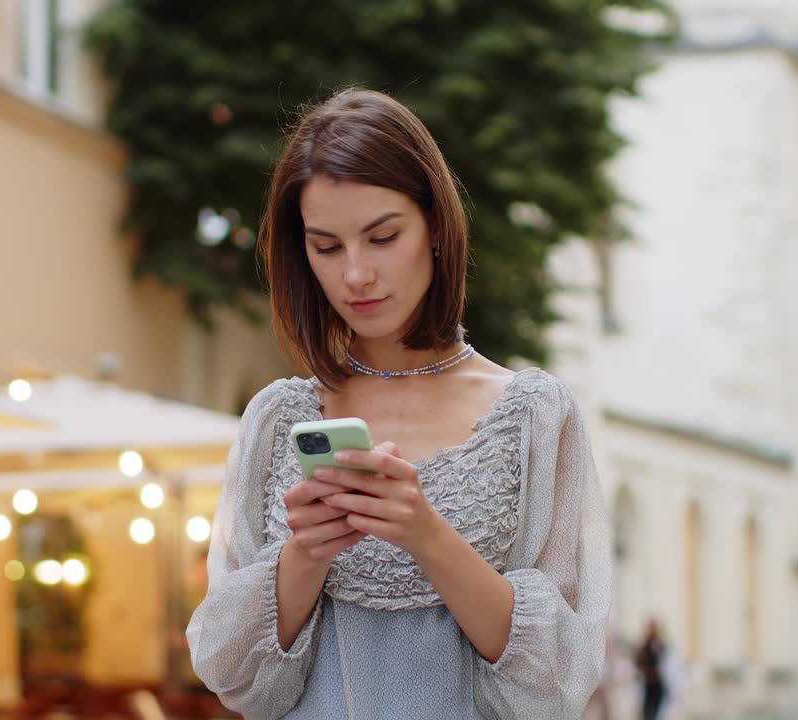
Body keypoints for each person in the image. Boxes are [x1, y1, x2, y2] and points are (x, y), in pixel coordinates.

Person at [184, 87, 611, 719]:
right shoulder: (279, 420)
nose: (354, 274)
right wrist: (307, 551)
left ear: (435, 227)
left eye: (382, 237)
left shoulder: (535, 417)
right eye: (326, 247)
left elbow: (554, 685)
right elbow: (239, 680)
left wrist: (426, 534)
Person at [633, 620, 666, 720]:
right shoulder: (645, 646)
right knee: (647, 713)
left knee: (655, 713)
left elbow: (663, 662)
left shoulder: (659, 644)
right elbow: (639, 663)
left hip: (656, 685)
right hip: (648, 685)